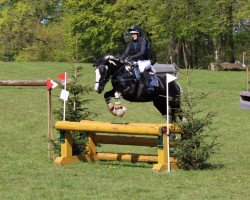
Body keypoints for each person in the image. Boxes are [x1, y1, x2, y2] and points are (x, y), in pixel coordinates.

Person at [121, 25, 154, 92]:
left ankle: (149, 85)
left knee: (141, 68)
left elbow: (142, 52)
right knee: (127, 67)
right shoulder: (131, 42)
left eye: (134, 34)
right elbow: (126, 52)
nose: (132, 35)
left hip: (146, 61)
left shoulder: (143, 40)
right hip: (136, 61)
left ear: (138, 33)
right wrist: (121, 59)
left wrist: (132, 57)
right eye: (131, 34)